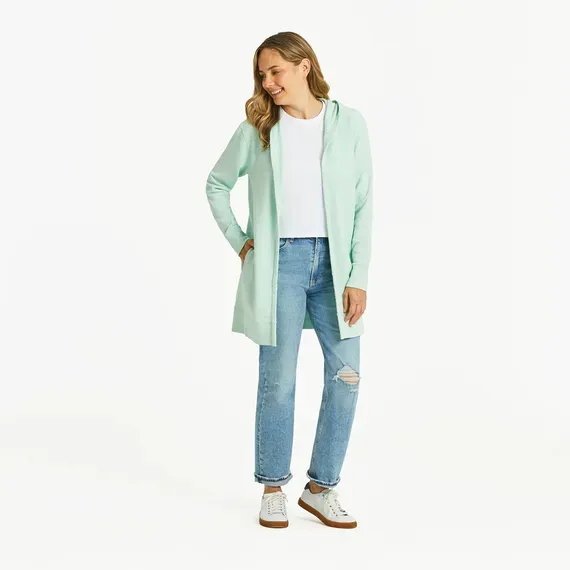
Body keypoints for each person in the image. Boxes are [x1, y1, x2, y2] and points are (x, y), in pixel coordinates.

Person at [205, 31, 373, 529]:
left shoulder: (349, 124)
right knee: (278, 379)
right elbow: (216, 184)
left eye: (275, 71)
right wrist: (242, 242)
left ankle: (321, 488)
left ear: (304, 66)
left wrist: (358, 275)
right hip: (280, 262)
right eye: (262, 74)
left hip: (336, 267)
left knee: (346, 376)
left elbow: (363, 204)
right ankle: (273, 487)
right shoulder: (259, 128)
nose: (268, 83)